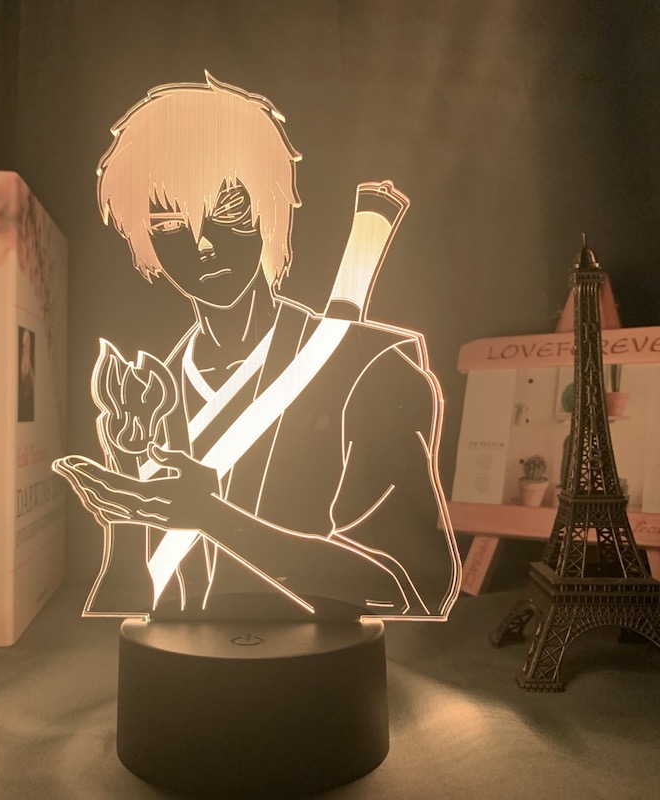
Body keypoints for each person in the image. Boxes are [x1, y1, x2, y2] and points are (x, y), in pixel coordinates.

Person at [53, 73, 460, 620]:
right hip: (177, 662)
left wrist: (214, 518)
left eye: (229, 211)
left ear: (270, 211)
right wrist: (128, 504)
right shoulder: (150, 396)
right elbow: (135, 601)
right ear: (142, 238)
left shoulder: (370, 369)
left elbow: (413, 589)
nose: (201, 243)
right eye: (168, 223)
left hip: (320, 660)